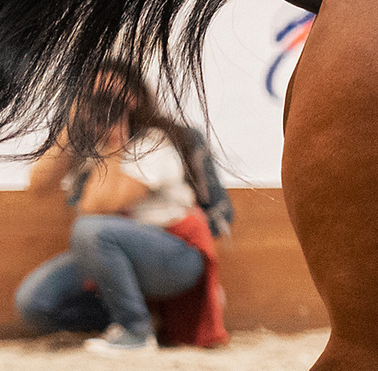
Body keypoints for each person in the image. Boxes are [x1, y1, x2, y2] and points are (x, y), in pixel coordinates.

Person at [14, 64, 229, 353]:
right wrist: (72, 126)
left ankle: (135, 330)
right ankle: (133, 316)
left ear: (136, 99)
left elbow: (100, 209)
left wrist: (114, 144)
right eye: (96, 97)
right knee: (35, 303)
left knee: (90, 230)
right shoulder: (86, 144)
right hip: (107, 255)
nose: (106, 106)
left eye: (113, 97)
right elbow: (37, 186)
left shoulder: (154, 142)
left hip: (174, 255)